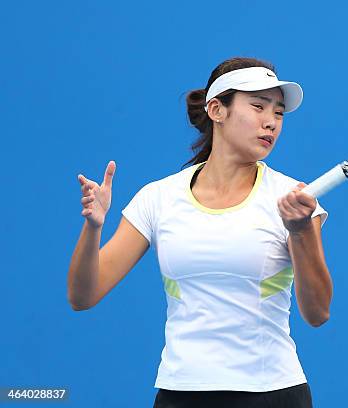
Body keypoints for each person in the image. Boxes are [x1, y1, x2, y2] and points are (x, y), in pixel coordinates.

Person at [67, 57, 333, 408]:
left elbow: (317, 313)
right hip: (180, 394)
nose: (270, 122)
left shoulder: (293, 201)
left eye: (279, 113)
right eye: (257, 106)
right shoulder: (158, 198)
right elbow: (83, 296)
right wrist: (94, 227)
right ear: (216, 110)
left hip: (273, 394)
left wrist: (300, 231)